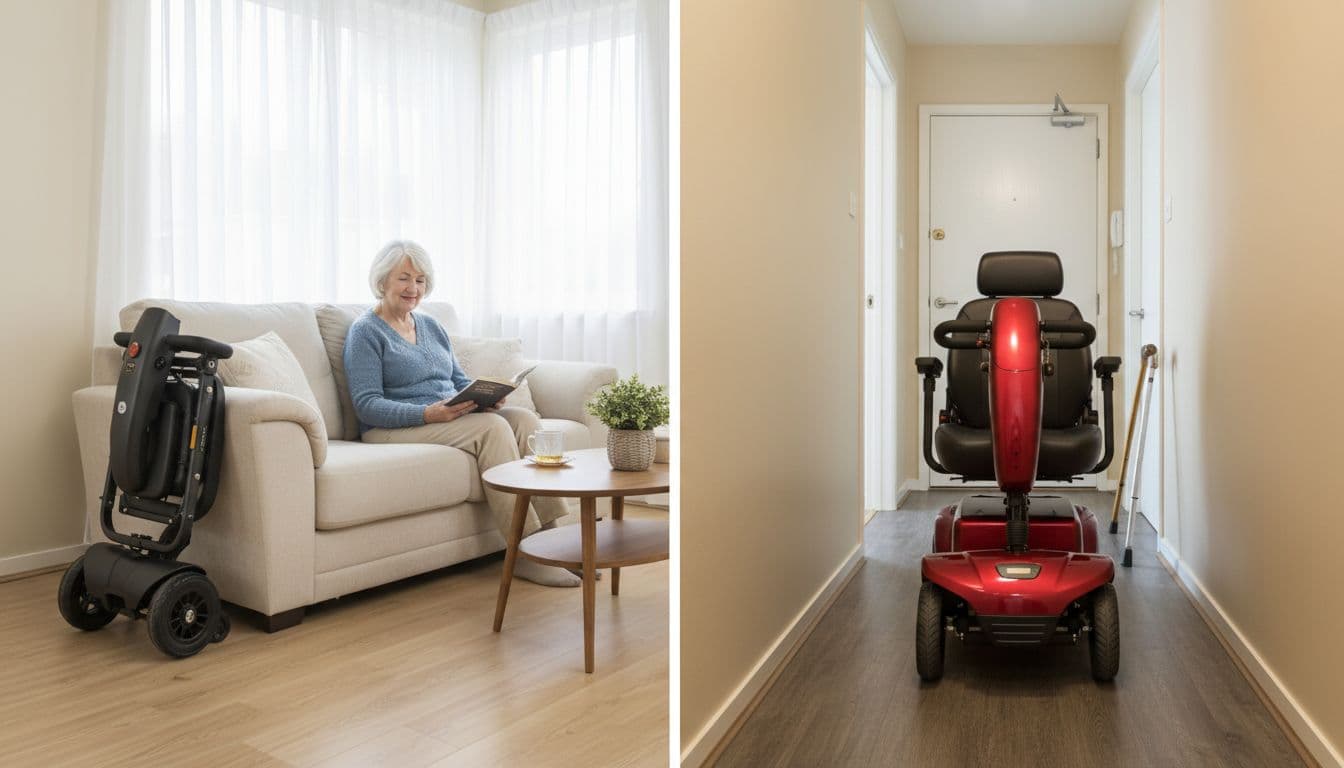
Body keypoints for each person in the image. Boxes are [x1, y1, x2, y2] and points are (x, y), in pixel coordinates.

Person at [344, 240, 579, 587]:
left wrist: (487, 397)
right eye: (404, 279)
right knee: (491, 430)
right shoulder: (365, 332)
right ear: (382, 281)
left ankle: (552, 542)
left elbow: (456, 379)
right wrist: (428, 414)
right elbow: (367, 404)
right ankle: (524, 552)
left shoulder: (431, 326)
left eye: (421, 280)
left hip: (448, 414)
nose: (414, 289)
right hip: (394, 425)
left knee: (523, 421)